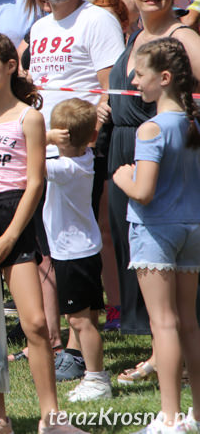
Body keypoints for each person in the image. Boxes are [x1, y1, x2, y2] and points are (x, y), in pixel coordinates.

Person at [0, 34, 84, 433]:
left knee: (34, 323)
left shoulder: (29, 117)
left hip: (15, 217)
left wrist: (13, 236)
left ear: (10, 66)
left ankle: (52, 417)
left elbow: (34, 182)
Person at [101, 0, 200, 386]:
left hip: (166, 161)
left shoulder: (186, 39)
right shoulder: (134, 37)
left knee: (169, 269)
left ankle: (171, 359)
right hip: (126, 151)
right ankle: (161, 354)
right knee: (140, 262)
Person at [29, 0, 124, 378]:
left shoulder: (97, 20)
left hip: (78, 153)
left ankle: (76, 345)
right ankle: (52, 337)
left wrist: (87, 144)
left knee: (74, 245)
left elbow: (110, 91)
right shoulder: (41, 27)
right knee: (47, 245)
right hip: (41, 148)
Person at [112, 37, 200, 434]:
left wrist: (122, 177)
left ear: (163, 79)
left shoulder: (150, 129)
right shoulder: (194, 122)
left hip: (157, 232)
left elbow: (143, 190)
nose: (133, 79)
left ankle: (168, 418)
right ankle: (196, 412)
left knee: (162, 323)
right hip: (193, 228)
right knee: (189, 323)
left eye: (141, 74)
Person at [44, 99, 111, 403]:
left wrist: (43, 137)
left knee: (79, 321)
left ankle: (96, 378)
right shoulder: (85, 159)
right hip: (84, 250)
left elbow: (26, 157)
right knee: (88, 318)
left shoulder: (64, 168)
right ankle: (92, 370)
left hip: (73, 254)